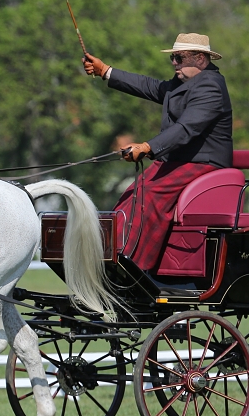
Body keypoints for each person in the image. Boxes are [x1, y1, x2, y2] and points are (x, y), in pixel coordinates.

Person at [83, 33, 233, 271]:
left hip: (204, 164)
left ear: (201, 59)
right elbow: (150, 86)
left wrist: (147, 147)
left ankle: (132, 264)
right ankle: (107, 253)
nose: (174, 63)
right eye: (173, 57)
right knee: (133, 192)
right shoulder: (183, 83)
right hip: (180, 162)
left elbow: (187, 128)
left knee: (148, 195)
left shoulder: (210, 87)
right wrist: (106, 71)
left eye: (179, 58)